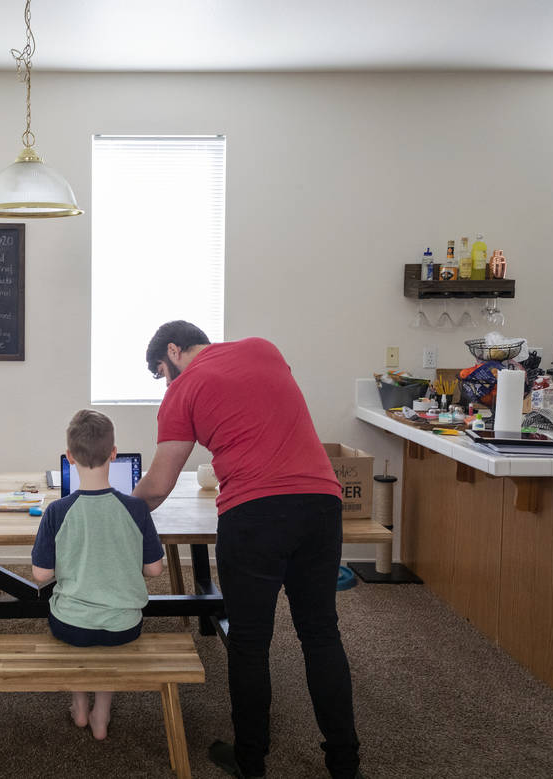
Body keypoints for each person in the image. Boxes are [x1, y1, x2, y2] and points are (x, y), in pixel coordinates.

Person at [132, 321, 362, 779]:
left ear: (174, 351)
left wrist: (107, 506)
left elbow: (157, 486)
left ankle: (251, 760)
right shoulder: (264, 348)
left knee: (250, 643)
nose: (166, 383)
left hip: (255, 515)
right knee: (320, 634)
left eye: (162, 371)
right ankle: (345, 761)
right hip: (321, 502)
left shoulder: (183, 390)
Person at [31, 409, 165, 740]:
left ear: (70, 457)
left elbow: (39, 574)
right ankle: (101, 713)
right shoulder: (136, 509)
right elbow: (155, 569)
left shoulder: (57, 511)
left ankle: (79, 706)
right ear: (114, 454)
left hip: (71, 625)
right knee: (108, 636)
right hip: (124, 626)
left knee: (73, 622)